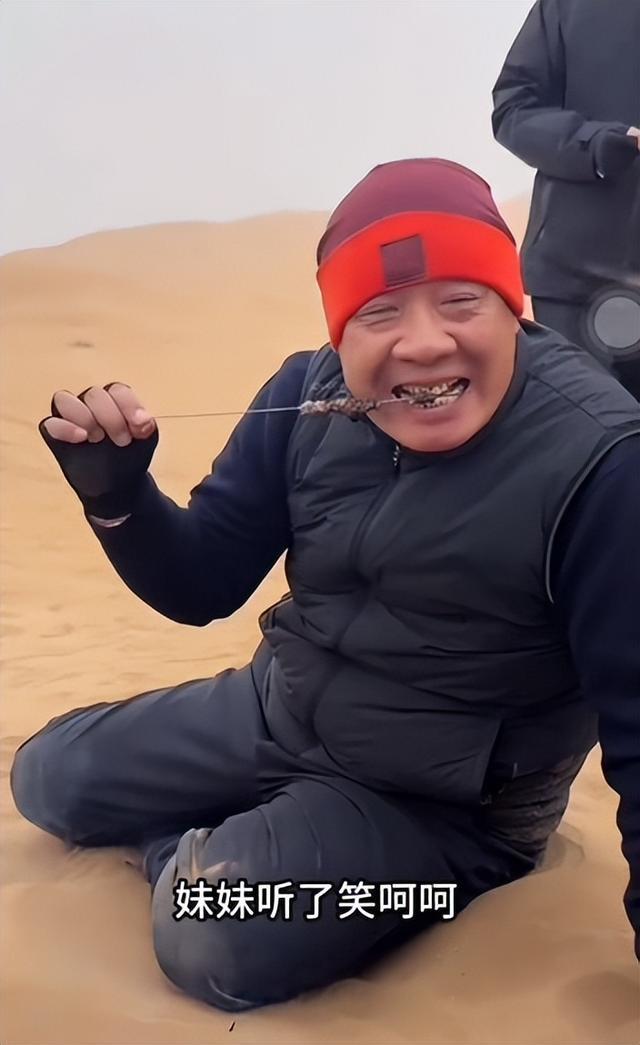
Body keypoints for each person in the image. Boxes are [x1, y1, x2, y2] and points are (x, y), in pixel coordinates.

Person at [10, 158, 640, 1013]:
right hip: (281, 710)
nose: (424, 342)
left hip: (447, 809)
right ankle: (230, 844)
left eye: (462, 301)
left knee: (209, 932)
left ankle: (210, 865)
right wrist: (119, 499)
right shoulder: (307, 394)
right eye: (380, 312)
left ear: (512, 307)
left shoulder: (603, 462)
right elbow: (201, 583)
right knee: (45, 777)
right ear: (341, 332)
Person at [492, 0, 640, 397]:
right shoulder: (566, 6)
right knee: (590, 427)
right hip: (577, 283)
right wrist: (599, 143)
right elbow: (513, 109)